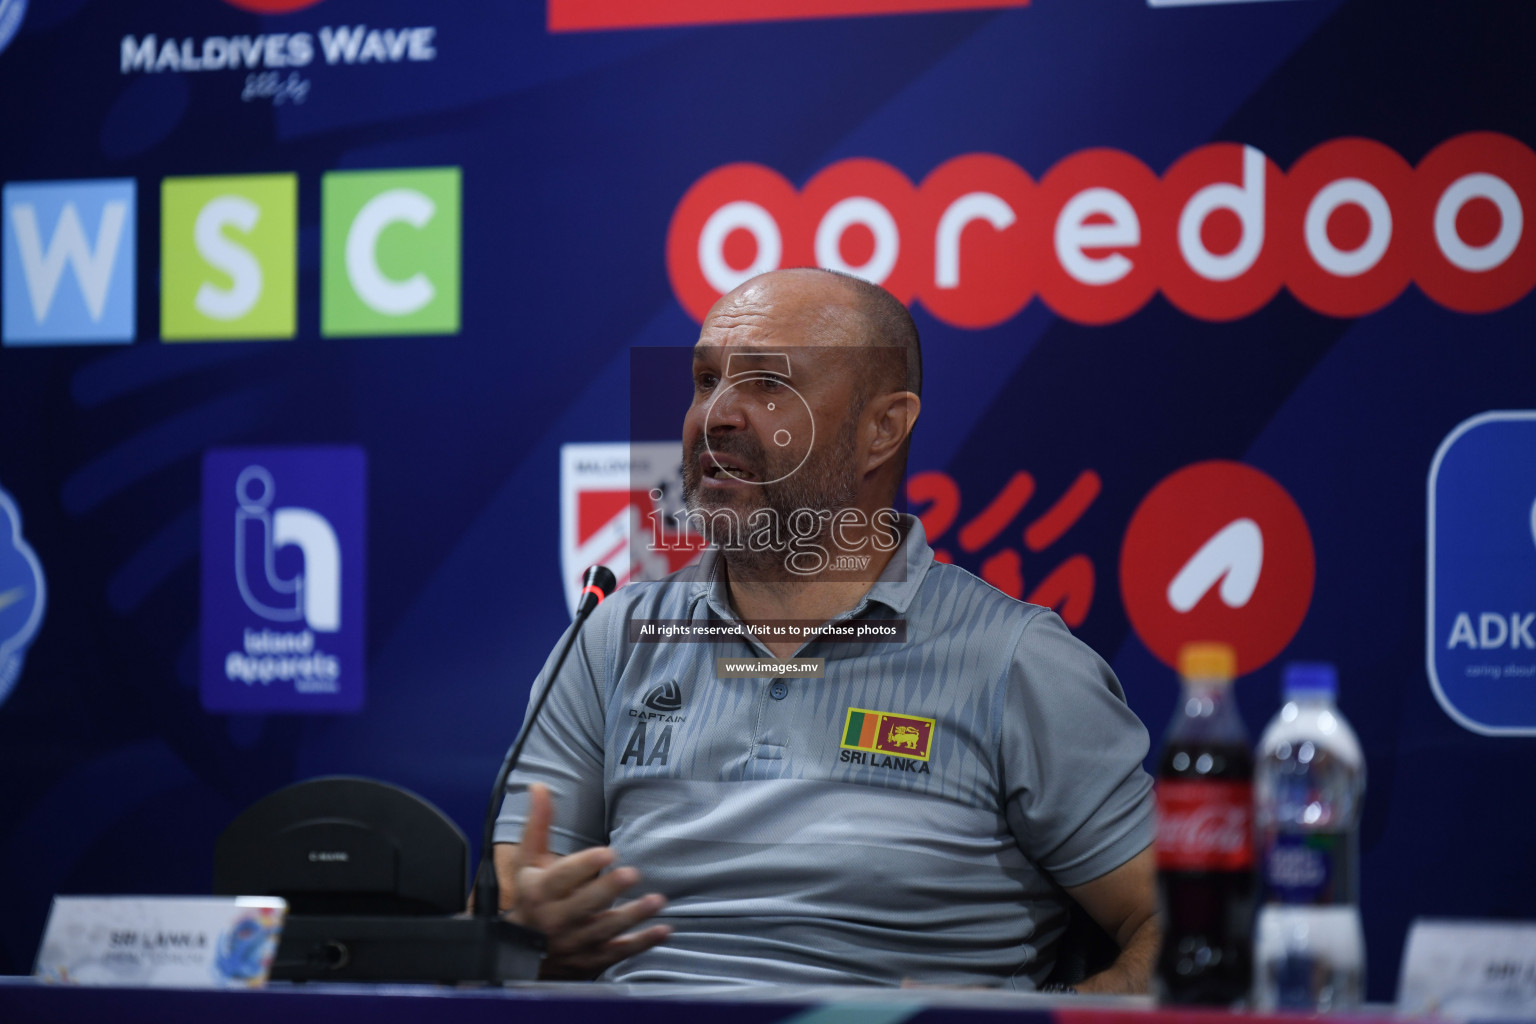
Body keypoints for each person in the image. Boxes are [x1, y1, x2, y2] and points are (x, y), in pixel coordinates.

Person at [492, 267, 1159, 990]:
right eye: (705, 380)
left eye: (768, 386)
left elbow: (1178, 932)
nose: (716, 414)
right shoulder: (612, 641)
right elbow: (502, 910)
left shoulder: (1018, 662)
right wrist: (531, 939)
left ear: (883, 429)